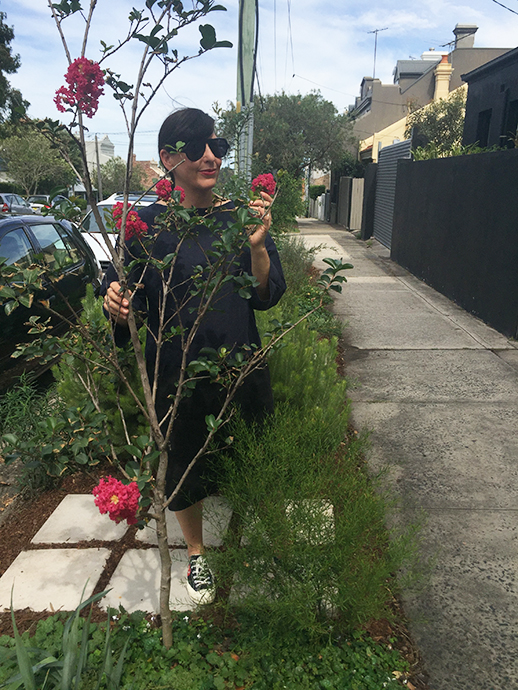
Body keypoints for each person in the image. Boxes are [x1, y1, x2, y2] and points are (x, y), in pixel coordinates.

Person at [102, 108, 286, 604]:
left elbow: (266, 295)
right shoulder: (147, 224)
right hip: (174, 369)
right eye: (197, 148)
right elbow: (128, 293)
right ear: (168, 159)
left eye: (217, 147)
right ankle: (198, 553)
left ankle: (269, 538)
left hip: (240, 363)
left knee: (254, 448)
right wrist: (115, 301)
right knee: (183, 456)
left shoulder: (241, 216)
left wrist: (259, 247)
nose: (211, 157)